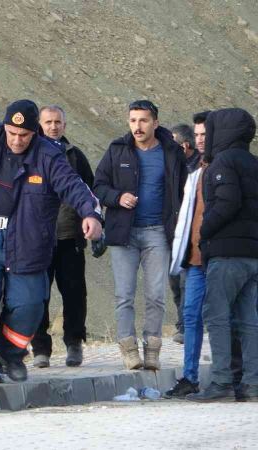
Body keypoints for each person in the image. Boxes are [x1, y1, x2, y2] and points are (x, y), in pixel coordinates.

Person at [0, 99, 102, 385]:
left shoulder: (49, 156)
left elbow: (75, 187)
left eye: (24, 135)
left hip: (28, 240)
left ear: (35, 133)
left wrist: (90, 214)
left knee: (29, 303)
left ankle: (10, 355)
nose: (17, 141)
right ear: (4, 127)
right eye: (12, 133)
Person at [93, 100, 187, 371]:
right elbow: (98, 185)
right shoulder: (117, 150)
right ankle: (128, 348)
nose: (138, 126)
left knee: (156, 294)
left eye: (143, 120)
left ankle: (153, 349)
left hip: (158, 232)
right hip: (124, 233)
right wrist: (117, 197)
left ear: (155, 123)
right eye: (133, 120)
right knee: (124, 294)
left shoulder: (171, 152)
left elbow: (183, 191)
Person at [188, 108, 258, 402]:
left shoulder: (223, 162)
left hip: (227, 253)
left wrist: (205, 231)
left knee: (215, 315)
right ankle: (252, 385)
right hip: (252, 254)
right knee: (249, 320)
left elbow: (227, 202)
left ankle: (221, 382)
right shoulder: (253, 163)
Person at [30, 105, 94, 369]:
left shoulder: (75, 156)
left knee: (74, 294)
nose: (53, 126)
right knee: (37, 295)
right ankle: (40, 348)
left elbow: (91, 192)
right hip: (37, 240)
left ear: (64, 126)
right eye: (48, 122)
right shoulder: (30, 155)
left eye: (58, 122)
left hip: (69, 238)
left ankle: (73, 343)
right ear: (39, 124)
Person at [163, 114, 210, 399]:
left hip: (219, 256)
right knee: (191, 314)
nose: (200, 139)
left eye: (205, 134)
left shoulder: (224, 170)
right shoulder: (189, 172)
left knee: (224, 318)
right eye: (198, 134)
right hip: (191, 256)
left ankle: (233, 375)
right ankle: (190, 377)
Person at [168, 123, 200, 344]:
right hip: (173, 233)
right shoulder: (170, 167)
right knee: (174, 281)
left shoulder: (201, 168)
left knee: (185, 282)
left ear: (184, 146)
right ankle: (184, 323)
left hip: (193, 236)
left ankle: (187, 326)